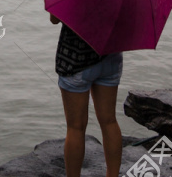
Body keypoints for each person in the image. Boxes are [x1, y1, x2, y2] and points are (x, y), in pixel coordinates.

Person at [52, 13, 122, 177]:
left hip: (76, 59)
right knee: (109, 121)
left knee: (76, 127)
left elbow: (54, 18)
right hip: (110, 56)